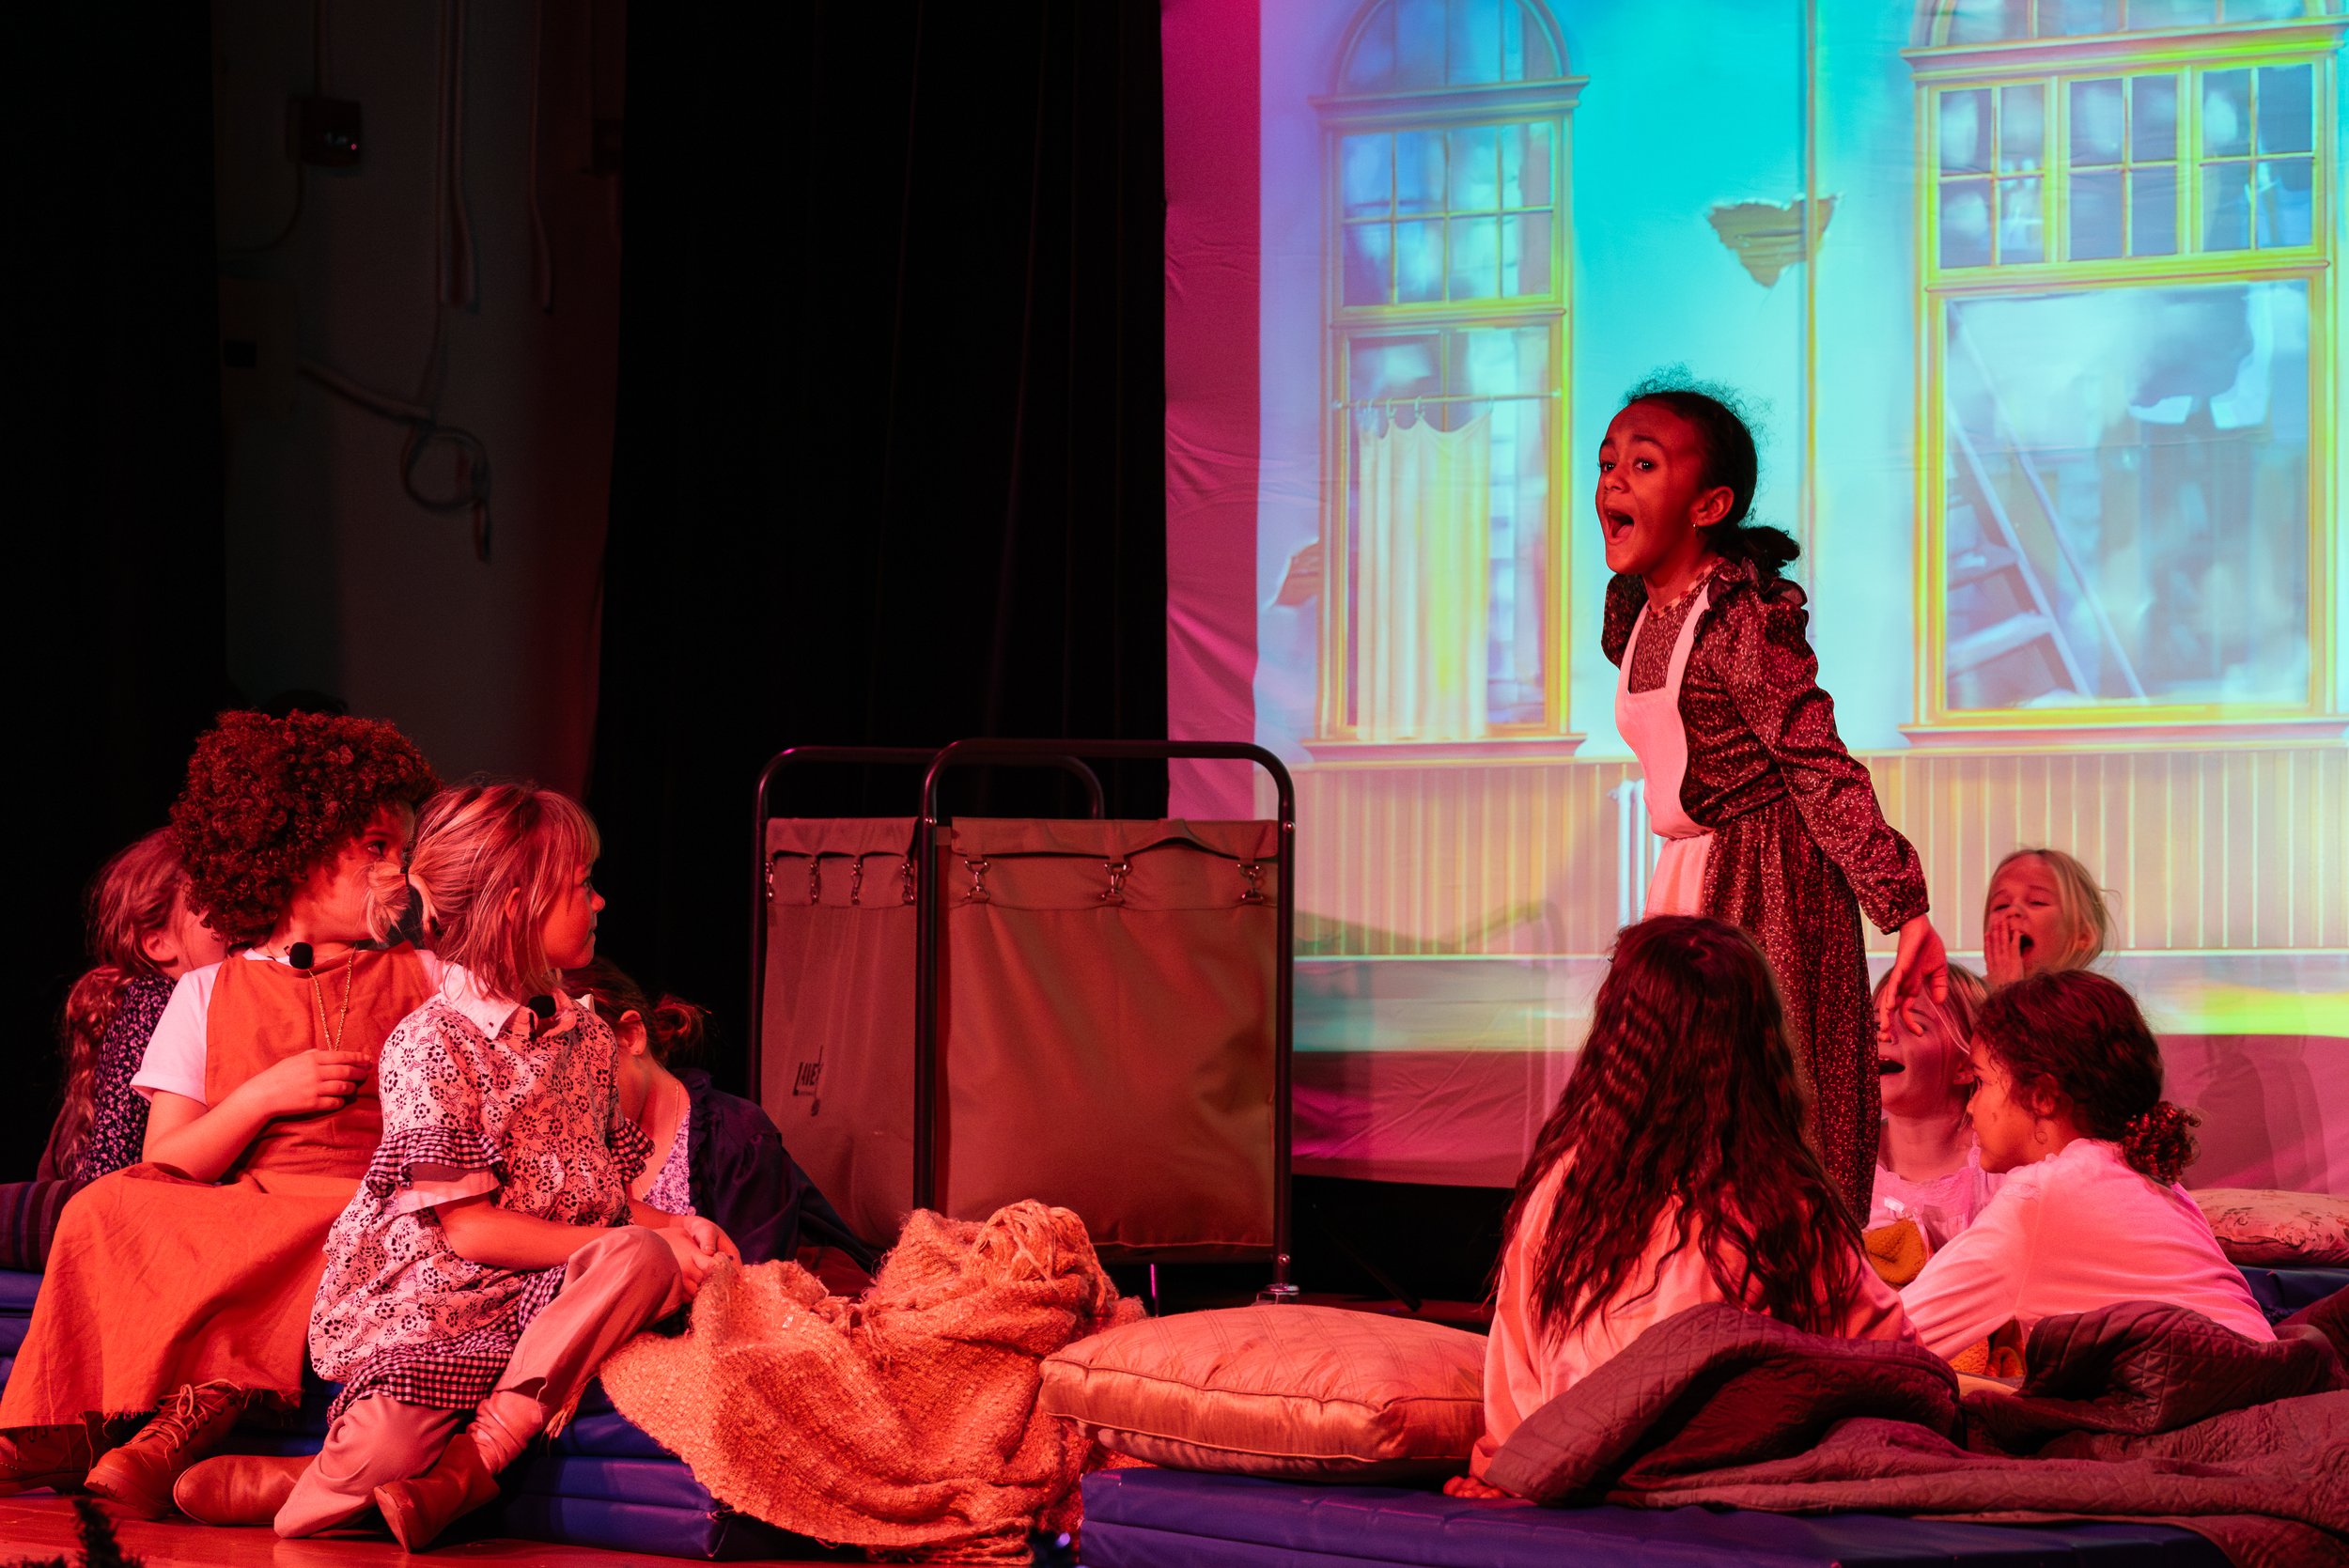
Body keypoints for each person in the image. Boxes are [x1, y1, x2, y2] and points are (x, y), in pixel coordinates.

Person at [226, 783, 735, 1548]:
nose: (599, 901)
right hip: (451, 1300)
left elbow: (606, 1198)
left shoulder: (588, 1039)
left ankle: (476, 1460)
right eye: (581, 885)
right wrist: (626, 1243)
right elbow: (470, 1231)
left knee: (642, 1255)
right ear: (520, 904)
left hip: (546, 1291)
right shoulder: (430, 1044)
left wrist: (681, 1226)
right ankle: (307, 1478)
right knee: (343, 1488)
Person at [0, 711, 438, 1514]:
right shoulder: (208, 990)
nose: (395, 871)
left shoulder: (428, 976)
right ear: (296, 847)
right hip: (247, 1202)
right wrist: (262, 1096)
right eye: (376, 846)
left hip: (363, 1206)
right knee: (103, 1206)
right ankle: (67, 1424)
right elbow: (171, 1158)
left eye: (402, 852)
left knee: (330, 1224)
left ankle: (190, 1419)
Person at [1597, 373, 1947, 1217]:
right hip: (1687, 870)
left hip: (1767, 881)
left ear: (1709, 504)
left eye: (1643, 464)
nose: (1613, 481)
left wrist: (1902, 904)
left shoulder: (1742, 617)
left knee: (1761, 1125)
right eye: (1607, 463)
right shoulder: (1636, 606)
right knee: (1669, 1119)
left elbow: (1812, 754)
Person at [1452, 917, 1912, 1497]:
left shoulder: (1564, 1187)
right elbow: (1894, 1359)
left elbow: (1514, 1363)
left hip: (1573, 1483)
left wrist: (1506, 1469)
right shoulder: (1781, 1201)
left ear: (1617, 1037)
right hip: (1706, 1494)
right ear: (1758, 1046)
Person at [1900, 970, 2270, 1360]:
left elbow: (1891, 1341)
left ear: (2042, 1096)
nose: (1972, 1106)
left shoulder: (2044, 1197)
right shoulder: (2153, 1182)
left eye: (1981, 1082)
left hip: (2209, 1392)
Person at [0, 831, 232, 1271]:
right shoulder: (155, 1001)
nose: (240, 918)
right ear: (158, 944)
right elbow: (112, 1176)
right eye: (216, 907)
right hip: (108, 1211)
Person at [569, 957, 879, 1274]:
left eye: (582, 1075)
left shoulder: (735, 1136)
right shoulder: (580, 1150)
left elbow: (759, 1283)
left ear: (630, 1036)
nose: (576, 1098)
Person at [1869, 965, 1998, 1253]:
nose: (1884, 1035)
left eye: (1913, 1025)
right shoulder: (1849, 1159)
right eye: (1876, 1024)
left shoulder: (1995, 1170)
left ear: (1965, 1066)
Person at [1983, 846, 2111, 989]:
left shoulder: (2092, 998)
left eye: (2037, 901)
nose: (2012, 910)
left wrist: (2006, 989)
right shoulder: (1971, 997)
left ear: (2082, 936)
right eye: (2001, 905)